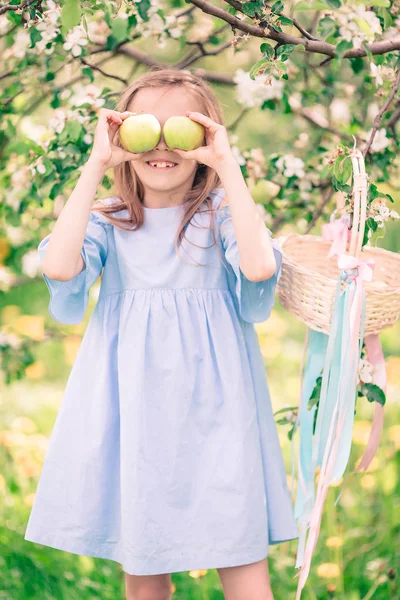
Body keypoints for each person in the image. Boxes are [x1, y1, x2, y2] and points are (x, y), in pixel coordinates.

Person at [24, 68, 299, 600]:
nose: (164, 145)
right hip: (136, 415)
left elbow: (260, 267)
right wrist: (96, 164)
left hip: (219, 413)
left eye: (183, 131)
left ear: (203, 139)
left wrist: (227, 165)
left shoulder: (218, 212)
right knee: (145, 568)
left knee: (241, 560)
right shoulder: (111, 218)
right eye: (150, 127)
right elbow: (60, 267)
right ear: (126, 135)